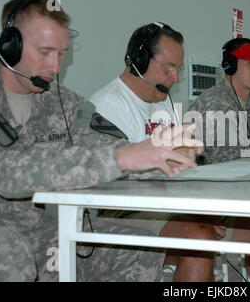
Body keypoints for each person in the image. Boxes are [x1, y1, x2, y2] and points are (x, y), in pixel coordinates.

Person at [0, 0, 202, 282]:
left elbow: (104, 145)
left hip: (36, 228)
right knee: (9, 252)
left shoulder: (60, 101)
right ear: (10, 46)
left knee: (139, 249)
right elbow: (8, 174)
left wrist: (162, 157)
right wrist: (123, 157)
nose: (56, 67)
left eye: (61, 54)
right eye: (46, 52)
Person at [90, 22, 220, 282]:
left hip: (163, 201)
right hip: (119, 211)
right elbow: (112, 182)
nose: (176, 78)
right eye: (168, 68)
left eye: (178, 69)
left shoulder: (162, 101)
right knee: (200, 238)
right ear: (138, 61)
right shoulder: (108, 105)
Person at [188, 38, 250, 282]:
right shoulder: (216, 104)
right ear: (229, 66)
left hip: (243, 191)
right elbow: (225, 172)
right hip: (211, 202)